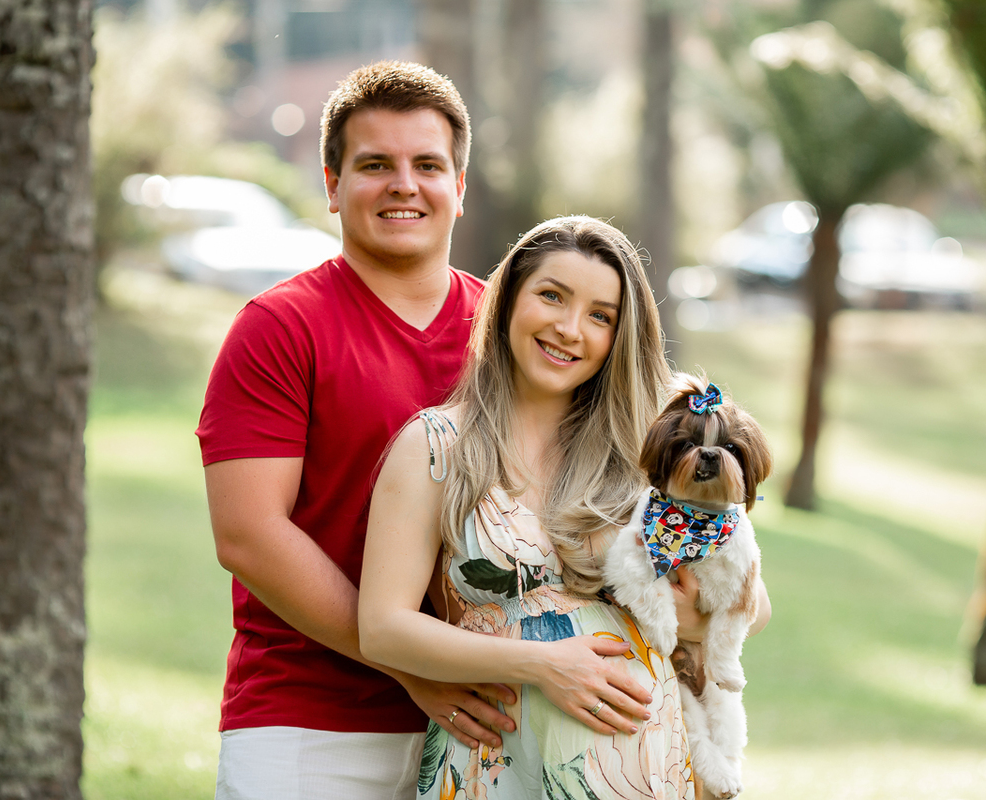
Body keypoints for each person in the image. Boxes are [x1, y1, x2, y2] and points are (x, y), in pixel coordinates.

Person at [359, 215, 769, 799]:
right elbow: (382, 629)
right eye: (552, 296)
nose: (570, 329)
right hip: (498, 769)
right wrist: (543, 664)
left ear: (619, 336)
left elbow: (752, 599)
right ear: (507, 302)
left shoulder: (653, 445)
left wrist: (691, 621)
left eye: (600, 315)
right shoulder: (434, 448)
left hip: (655, 770)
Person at [197, 61, 516, 800]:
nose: (404, 184)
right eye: (375, 165)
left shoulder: (507, 336)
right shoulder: (279, 328)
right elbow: (248, 534)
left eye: (427, 165)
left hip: (487, 723)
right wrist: (413, 667)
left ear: (459, 188)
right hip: (309, 725)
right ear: (333, 185)